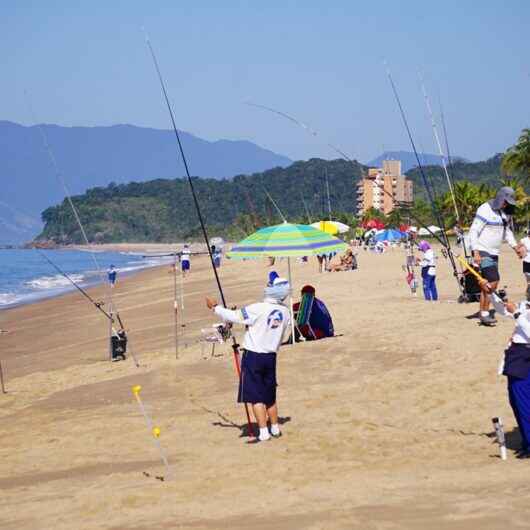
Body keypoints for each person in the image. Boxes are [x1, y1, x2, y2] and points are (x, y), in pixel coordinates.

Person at [205, 277, 291, 443]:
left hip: (254, 355)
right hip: (271, 356)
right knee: (270, 395)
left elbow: (235, 316)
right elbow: (277, 332)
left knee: (256, 396)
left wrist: (215, 307)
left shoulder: (258, 308)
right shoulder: (285, 312)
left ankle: (264, 432)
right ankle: (275, 428)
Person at [469, 187, 526, 326]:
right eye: (505, 202)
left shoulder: (505, 213)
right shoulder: (485, 209)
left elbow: (507, 232)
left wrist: (515, 247)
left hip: (494, 252)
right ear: (500, 198)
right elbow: (474, 231)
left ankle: (483, 313)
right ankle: (485, 313)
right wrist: (475, 251)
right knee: (493, 281)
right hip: (482, 250)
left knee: (488, 283)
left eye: (508, 203)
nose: (506, 205)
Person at [490, 292, 530, 458]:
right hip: (516, 357)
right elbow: (502, 310)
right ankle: (526, 442)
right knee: (516, 402)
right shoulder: (525, 305)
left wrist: (516, 313)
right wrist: (490, 294)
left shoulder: (521, 310)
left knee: (523, 403)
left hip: (524, 358)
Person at [520, 228, 530, 301]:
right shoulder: (524, 240)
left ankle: (528, 295)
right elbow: (518, 248)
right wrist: (521, 253)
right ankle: (528, 296)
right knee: (529, 282)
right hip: (527, 262)